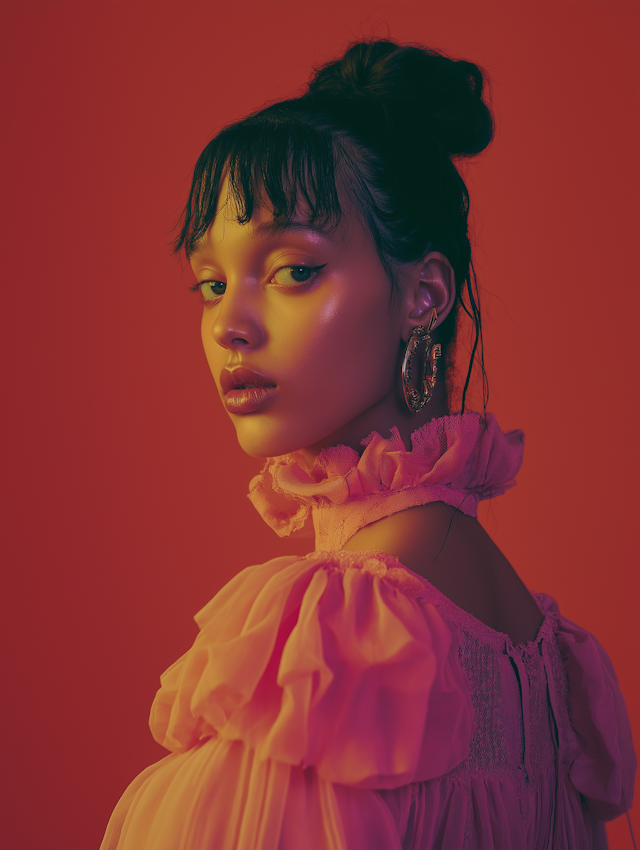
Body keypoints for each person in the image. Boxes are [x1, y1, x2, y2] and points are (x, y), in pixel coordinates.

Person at [100, 39, 636, 849]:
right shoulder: (541, 650)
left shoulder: (348, 625)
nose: (228, 325)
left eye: (292, 270)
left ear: (423, 293)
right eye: (212, 283)